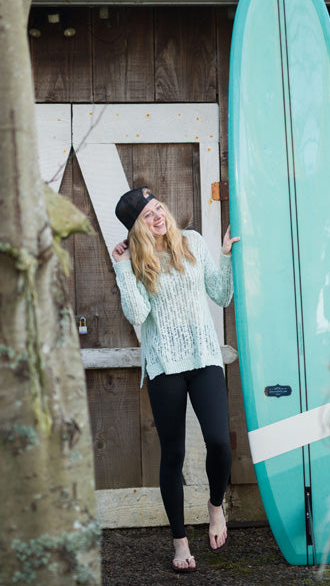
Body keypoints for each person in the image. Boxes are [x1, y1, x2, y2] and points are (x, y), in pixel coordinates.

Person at [111, 186, 240, 573]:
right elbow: (136, 314)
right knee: (174, 454)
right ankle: (180, 542)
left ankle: (215, 507)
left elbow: (221, 294)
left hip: (204, 356)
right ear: (136, 228)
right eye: (147, 215)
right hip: (165, 364)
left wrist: (226, 255)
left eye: (158, 208)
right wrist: (121, 268)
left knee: (219, 441)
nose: (157, 217)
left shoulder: (193, 242)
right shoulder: (136, 260)